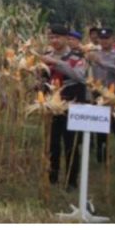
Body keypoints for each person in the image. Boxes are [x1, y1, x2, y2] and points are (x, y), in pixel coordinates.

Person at [39, 24, 87, 189]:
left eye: (57, 37)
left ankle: (71, 180)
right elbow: (44, 77)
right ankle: (52, 176)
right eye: (51, 37)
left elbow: (80, 76)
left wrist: (56, 62)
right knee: (53, 142)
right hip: (52, 105)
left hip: (71, 105)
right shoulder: (46, 55)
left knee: (71, 143)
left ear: (66, 38)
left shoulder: (76, 57)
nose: (54, 41)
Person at [90, 28, 115, 170]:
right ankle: (101, 160)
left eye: (107, 38)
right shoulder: (94, 54)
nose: (104, 41)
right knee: (100, 126)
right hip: (101, 92)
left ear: (112, 39)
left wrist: (101, 63)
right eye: (101, 38)